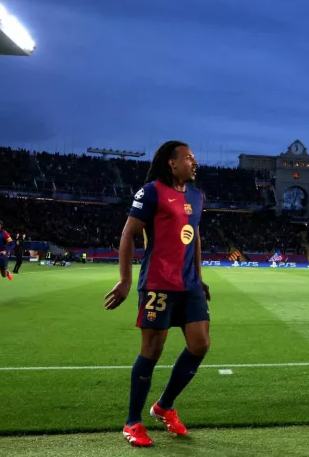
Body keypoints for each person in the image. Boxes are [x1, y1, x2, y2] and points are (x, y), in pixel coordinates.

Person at [103, 141, 211, 448]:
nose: (195, 162)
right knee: (152, 352)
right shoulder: (150, 192)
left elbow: (196, 237)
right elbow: (128, 234)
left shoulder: (196, 196)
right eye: (189, 158)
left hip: (189, 285)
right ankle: (132, 422)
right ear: (171, 163)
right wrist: (125, 280)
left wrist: (200, 278)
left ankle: (164, 406)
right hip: (157, 283)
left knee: (200, 344)